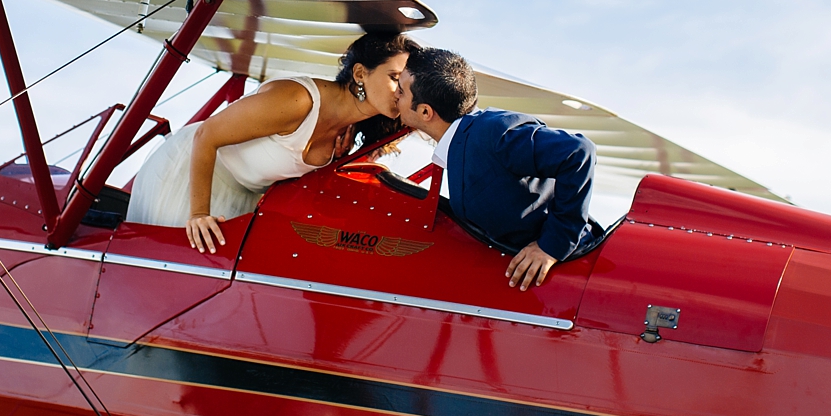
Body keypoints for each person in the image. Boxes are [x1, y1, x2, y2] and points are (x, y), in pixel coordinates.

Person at [127, 32, 416, 252]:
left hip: (244, 194)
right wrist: (199, 214)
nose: (400, 90)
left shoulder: (347, 134)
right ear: (360, 73)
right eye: (394, 78)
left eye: (406, 84)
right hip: (192, 176)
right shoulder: (299, 100)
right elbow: (207, 135)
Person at [395, 47, 596, 291]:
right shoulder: (464, 138)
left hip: (570, 274)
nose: (394, 94)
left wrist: (551, 246)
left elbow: (578, 151)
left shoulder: (494, 132)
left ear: (426, 112)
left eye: (401, 90)